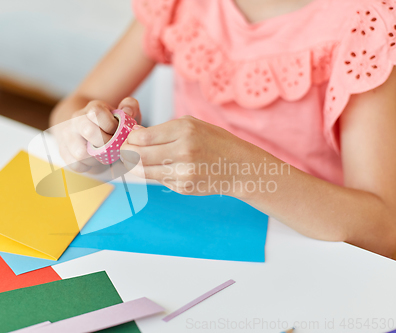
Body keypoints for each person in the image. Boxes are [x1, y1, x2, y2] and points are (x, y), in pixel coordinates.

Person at [50, 0, 396, 258]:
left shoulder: (368, 26)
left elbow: (383, 230)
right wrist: (83, 134)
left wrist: (236, 171)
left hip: (309, 245)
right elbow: (74, 106)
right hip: (183, 229)